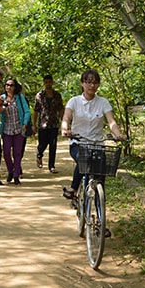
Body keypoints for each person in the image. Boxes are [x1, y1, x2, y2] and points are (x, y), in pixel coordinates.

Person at [61, 69, 127, 200]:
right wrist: (65, 130)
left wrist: (118, 134)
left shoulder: (103, 102)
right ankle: (74, 189)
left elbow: (111, 121)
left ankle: (99, 208)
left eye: (95, 83)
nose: (92, 85)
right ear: (82, 83)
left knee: (100, 175)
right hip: (78, 143)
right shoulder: (74, 101)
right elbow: (66, 118)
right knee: (83, 159)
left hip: (97, 144)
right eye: (89, 82)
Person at [0, 78, 31, 185]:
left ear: (15, 87)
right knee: (6, 153)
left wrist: (25, 123)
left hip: (18, 129)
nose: (9, 87)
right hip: (6, 130)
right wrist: (4, 106)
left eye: (11, 85)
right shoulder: (1, 98)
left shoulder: (20, 98)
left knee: (17, 153)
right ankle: (10, 171)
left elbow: (27, 111)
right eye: (7, 85)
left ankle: (16, 175)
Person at [33, 75, 64, 174]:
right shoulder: (39, 96)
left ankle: (52, 166)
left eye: (49, 82)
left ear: (52, 82)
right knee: (43, 143)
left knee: (53, 145)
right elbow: (36, 111)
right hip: (43, 124)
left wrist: (64, 122)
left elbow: (60, 109)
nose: (48, 84)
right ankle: (39, 154)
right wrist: (33, 124)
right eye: (46, 82)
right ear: (44, 83)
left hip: (54, 124)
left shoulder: (57, 95)